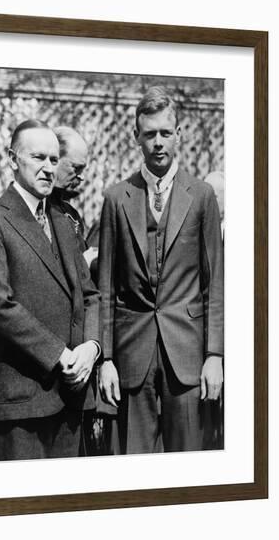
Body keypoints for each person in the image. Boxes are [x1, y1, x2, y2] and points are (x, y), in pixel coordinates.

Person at [98, 87, 224, 453]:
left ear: (179, 135)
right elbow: (105, 286)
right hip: (131, 354)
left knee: (187, 463)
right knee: (133, 461)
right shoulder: (115, 198)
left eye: (165, 134)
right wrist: (106, 359)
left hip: (186, 353)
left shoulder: (201, 196)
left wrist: (214, 355)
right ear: (136, 136)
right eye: (149, 134)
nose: (158, 143)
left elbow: (214, 283)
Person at [0, 119, 101, 461]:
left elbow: (89, 295)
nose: (47, 168)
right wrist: (61, 355)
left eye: (54, 160)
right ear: (13, 159)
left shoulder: (64, 220)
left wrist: (91, 347)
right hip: (23, 399)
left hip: (72, 394)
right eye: (38, 157)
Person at [51, 126, 98, 270]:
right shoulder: (35, 211)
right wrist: (84, 263)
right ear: (54, 160)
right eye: (76, 168)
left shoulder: (71, 214)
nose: (81, 177)